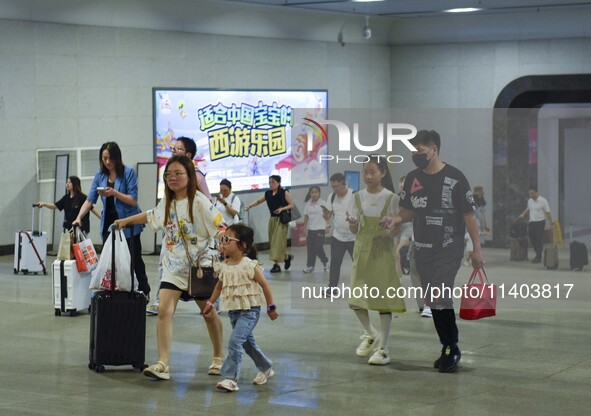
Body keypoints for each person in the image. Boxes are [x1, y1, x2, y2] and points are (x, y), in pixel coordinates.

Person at [114, 155, 225, 380]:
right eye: (168, 175)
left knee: (208, 313)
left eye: (178, 174)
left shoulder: (201, 202)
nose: (172, 178)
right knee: (164, 311)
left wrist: (230, 245)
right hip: (173, 267)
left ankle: (218, 356)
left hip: (199, 267)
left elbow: (220, 225)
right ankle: (163, 363)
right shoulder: (167, 202)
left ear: (189, 176)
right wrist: (125, 222)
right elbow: (151, 216)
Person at [381, 129, 482, 373]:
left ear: (434, 150)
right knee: (432, 300)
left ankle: (451, 346)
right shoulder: (414, 178)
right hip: (422, 249)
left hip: (449, 247)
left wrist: (476, 249)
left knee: (440, 293)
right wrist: (395, 220)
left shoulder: (456, 178)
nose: (416, 154)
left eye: (420, 150)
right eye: (413, 150)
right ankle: (447, 345)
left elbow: (470, 215)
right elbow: (408, 211)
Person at [203, 224, 278, 392]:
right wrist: (210, 303)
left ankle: (231, 378)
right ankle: (266, 368)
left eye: (228, 239)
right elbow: (218, 287)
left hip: (250, 311)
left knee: (235, 341)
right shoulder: (224, 265)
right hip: (234, 312)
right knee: (247, 344)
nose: (223, 243)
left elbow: (265, 286)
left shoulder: (249, 265)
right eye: (222, 239)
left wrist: (271, 307)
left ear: (243, 245)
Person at [346, 155, 405, 366]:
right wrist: (353, 223)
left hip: (383, 255)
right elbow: (354, 230)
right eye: (365, 172)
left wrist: (389, 233)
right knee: (355, 301)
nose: (368, 176)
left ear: (383, 173)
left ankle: (383, 349)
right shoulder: (357, 197)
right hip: (362, 253)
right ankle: (370, 333)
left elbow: (399, 227)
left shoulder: (392, 198)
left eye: (373, 172)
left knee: (383, 302)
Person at [73, 142, 151, 299]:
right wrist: (78, 217)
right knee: (111, 259)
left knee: (134, 259)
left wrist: (114, 193)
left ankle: (144, 290)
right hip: (109, 225)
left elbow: (133, 200)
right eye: (104, 158)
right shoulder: (100, 175)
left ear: (117, 158)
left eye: (110, 158)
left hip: (128, 224)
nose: (107, 162)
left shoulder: (128, 172)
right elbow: (90, 200)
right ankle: (118, 289)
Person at [147, 136, 212, 315]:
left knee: (201, 272)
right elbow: (154, 213)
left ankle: (212, 302)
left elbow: (208, 204)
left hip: (193, 240)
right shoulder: (171, 178)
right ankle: (161, 302)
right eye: (173, 149)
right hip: (172, 236)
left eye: (178, 149)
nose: (173, 151)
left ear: (188, 154)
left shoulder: (197, 176)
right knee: (164, 265)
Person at [244, 175, 294, 273]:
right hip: (272, 220)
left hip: (281, 220)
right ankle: (287, 257)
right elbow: (259, 201)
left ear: (278, 183)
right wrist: (250, 205)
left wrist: (282, 209)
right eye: (270, 182)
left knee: (277, 242)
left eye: (273, 182)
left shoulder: (284, 192)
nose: (271, 184)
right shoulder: (268, 193)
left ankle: (277, 265)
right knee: (274, 242)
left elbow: (292, 204)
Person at [324, 173, 356, 289]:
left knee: (358, 264)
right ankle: (332, 288)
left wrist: (354, 219)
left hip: (354, 238)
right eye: (333, 186)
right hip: (338, 237)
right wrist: (327, 223)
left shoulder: (354, 195)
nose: (335, 189)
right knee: (335, 263)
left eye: (337, 186)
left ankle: (363, 288)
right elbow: (328, 214)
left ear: (344, 183)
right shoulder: (331, 197)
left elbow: (362, 215)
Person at [518, 186, 554, 264]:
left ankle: (538, 256)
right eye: (529, 194)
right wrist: (523, 214)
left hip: (540, 222)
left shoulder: (543, 201)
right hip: (532, 222)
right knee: (532, 238)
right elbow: (528, 208)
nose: (531, 195)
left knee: (539, 239)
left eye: (532, 193)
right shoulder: (530, 201)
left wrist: (551, 222)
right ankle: (537, 252)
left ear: (536, 192)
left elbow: (548, 212)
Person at [302, 185, 330, 273]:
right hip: (311, 229)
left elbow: (327, 215)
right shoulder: (308, 204)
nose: (314, 194)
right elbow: (306, 217)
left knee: (318, 248)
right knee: (310, 249)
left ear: (319, 193)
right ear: (310, 193)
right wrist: (304, 228)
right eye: (312, 192)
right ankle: (310, 266)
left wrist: (328, 225)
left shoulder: (323, 203)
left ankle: (325, 261)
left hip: (320, 229)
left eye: (316, 192)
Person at [394, 176, 413, 279]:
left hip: (408, 227)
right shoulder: (395, 197)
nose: (402, 185)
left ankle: (407, 268)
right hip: (396, 227)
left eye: (405, 183)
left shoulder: (413, 198)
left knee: (398, 252)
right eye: (401, 183)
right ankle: (398, 282)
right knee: (395, 256)